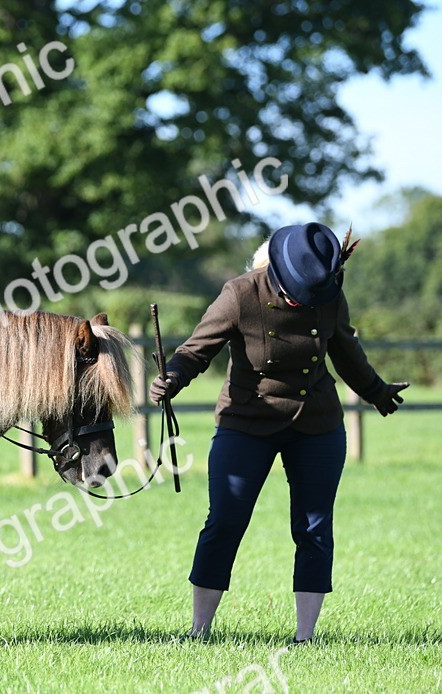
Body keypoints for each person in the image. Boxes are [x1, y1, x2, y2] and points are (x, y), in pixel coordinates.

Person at [149, 222, 407, 644]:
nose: (300, 300)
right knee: (225, 522)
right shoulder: (239, 294)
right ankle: (199, 631)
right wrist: (173, 378)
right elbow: (196, 350)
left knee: (314, 528)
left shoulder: (329, 298)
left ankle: (305, 636)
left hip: (316, 424)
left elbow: (346, 351)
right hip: (246, 421)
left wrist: (376, 392)